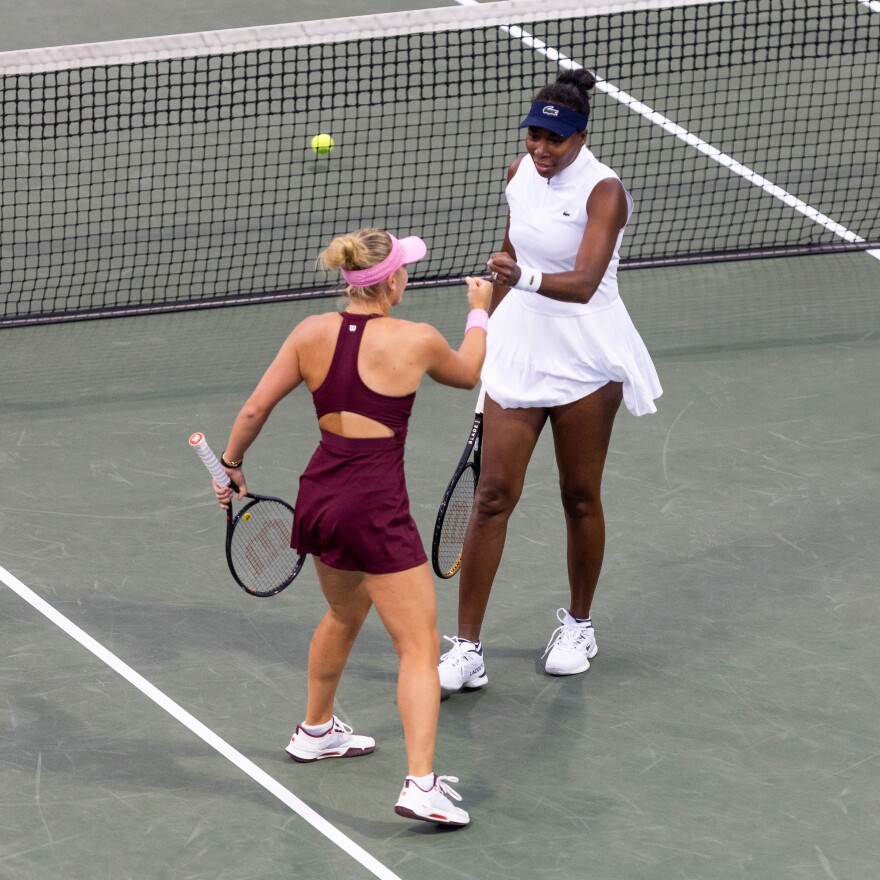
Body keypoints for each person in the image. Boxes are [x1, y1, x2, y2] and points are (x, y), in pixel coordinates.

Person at [212, 227, 492, 826]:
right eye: (404, 269)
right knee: (418, 644)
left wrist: (231, 466)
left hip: (320, 495)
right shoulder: (416, 340)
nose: (407, 276)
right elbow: (470, 372)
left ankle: (316, 729)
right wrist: (479, 314)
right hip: (374, 506)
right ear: (390, 281)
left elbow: (255, 408)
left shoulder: (309, 333)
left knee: (344, 613)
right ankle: (421, 784)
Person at [438, 69, 662, 693]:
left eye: (554, 140)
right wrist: (488, 321)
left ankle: (580, 625)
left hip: (586, 351)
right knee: (491, 496)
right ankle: (466, 649)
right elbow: (511, 255)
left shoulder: (604, 192)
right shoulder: (518, 175)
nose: (540, 148)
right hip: (522, 343)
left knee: (579, 495)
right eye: (534, 135)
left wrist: (523, 277)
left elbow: (585, 280)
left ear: (581, 136)